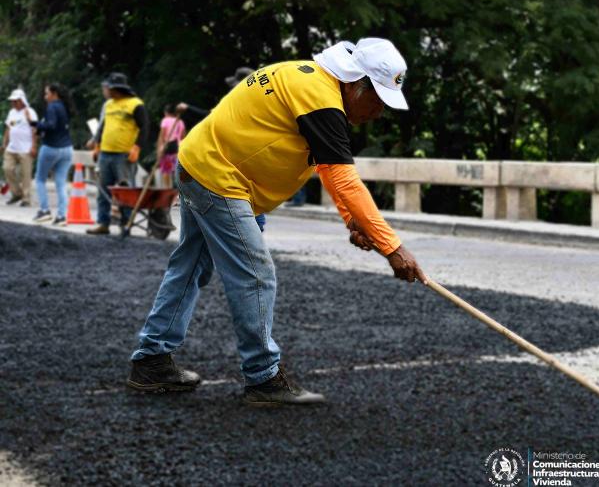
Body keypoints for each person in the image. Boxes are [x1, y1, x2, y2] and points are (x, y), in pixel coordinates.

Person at [127, 38, 426, 407]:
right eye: (377, 99)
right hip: (220, 178)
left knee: (190, 267)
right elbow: (344, 177)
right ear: (355, 82)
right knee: (255, 274)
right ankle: (263, 378)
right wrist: (392, 247)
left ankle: (151, 360)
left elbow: (329, 169)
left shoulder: (314, 84)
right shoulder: (320, 97)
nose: (378, 112)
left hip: (204, 165)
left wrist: (354, 221)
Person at [175, 66, 268, 231]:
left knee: (243, 195)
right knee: (248, 195)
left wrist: (188, 109)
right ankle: (253, 232)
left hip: (241, 157)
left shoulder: (241, 103)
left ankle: (251, 234)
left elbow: (211, 118)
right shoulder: (261, 101)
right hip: (251, 157)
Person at [86, 73, 149, 235]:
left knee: (125, 192)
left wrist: (137, 148)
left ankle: (126, 224)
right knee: (103, 191)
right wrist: (97, 146)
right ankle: (103, 223)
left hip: (124, 156)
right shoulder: (109, 105)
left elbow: (144, 128)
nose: (106, 90)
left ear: (116, 88)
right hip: (106, 154)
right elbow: (102, 127)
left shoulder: (135, 104)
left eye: (108, 87)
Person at [33, 84, 73, 225]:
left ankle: (45, 210)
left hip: (51, 147)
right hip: (67, 149)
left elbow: (51, 125)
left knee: (40, 179)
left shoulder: (52, 107)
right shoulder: (65, 106)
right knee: (61, 183)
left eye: (46, 93)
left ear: (54, 93)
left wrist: (36, 124)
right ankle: (62, 216)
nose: (45, 97)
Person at [3, 89, 38, 207]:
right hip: (12, 147)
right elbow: (9, 128)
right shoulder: (11, 112)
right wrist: (4, 144)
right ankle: (17, 193)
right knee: (7, 169)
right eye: (12, 101)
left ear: (22, 101)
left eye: (16, 101)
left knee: (25, 174)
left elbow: (34, 130)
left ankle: (26, 198)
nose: (13, 103)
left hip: (25, 148)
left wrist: (34, 146)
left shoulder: (30, 112)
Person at [155, 104, 185, 188]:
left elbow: (161, 136)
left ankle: (168, 189)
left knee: (166, 171)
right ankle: (179, 192)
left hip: (167, 148)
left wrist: (159, 151)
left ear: (166, 112)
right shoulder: (180, 121)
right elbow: (183, 137)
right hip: (178, 149)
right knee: (178, 172)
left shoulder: (165, 120)